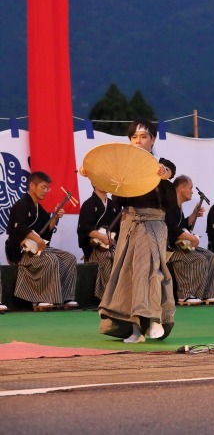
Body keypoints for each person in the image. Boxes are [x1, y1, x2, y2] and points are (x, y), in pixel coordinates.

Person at [93, 119, 177, 343]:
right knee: (128, 275)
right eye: (134, 137)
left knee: (148, 273)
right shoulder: (125, 171)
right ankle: (135, 328)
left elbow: (170, 170)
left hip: (153, 226)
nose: (138, 141)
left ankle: (148, 322)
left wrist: (163, 171)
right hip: (130, 226)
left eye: (144, 136)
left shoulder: (161, 165)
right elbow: (114, 191)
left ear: (153, 140)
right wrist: (91, 171)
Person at [4, 171, 79, 310]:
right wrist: (37, 239)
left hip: (36, 249)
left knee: (69, 258)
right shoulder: (21, 205)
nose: (46, 191)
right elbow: (19, 227)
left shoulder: (39, 208)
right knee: (50, 259)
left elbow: (46, 229)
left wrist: (55, 217)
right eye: (43, 187)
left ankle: (66, 297)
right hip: (21, 251)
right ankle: (41, 299)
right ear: (32, 185)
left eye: (47, 188)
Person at [166, 175, 214, 305]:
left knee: (210, 255)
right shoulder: (169, 205)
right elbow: (171, 228)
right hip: (168, 250)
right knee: (198, 258)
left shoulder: (178, 207)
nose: (192, 191)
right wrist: (191, 238)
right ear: (180, 188)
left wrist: (194, 214)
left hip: (179, 247)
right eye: (190, 188)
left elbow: (181, 225)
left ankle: (209, 293)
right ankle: (185, 294)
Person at [77, 185, 122, 300]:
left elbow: (118, 229)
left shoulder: (113, 205)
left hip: (111, 243)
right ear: (95, 183)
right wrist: (101, 236)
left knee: (123, 257)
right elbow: (84, 227)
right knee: (108, 257)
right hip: (94, 247)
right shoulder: (89, 204)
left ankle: (122, 296)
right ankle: (108, 297)